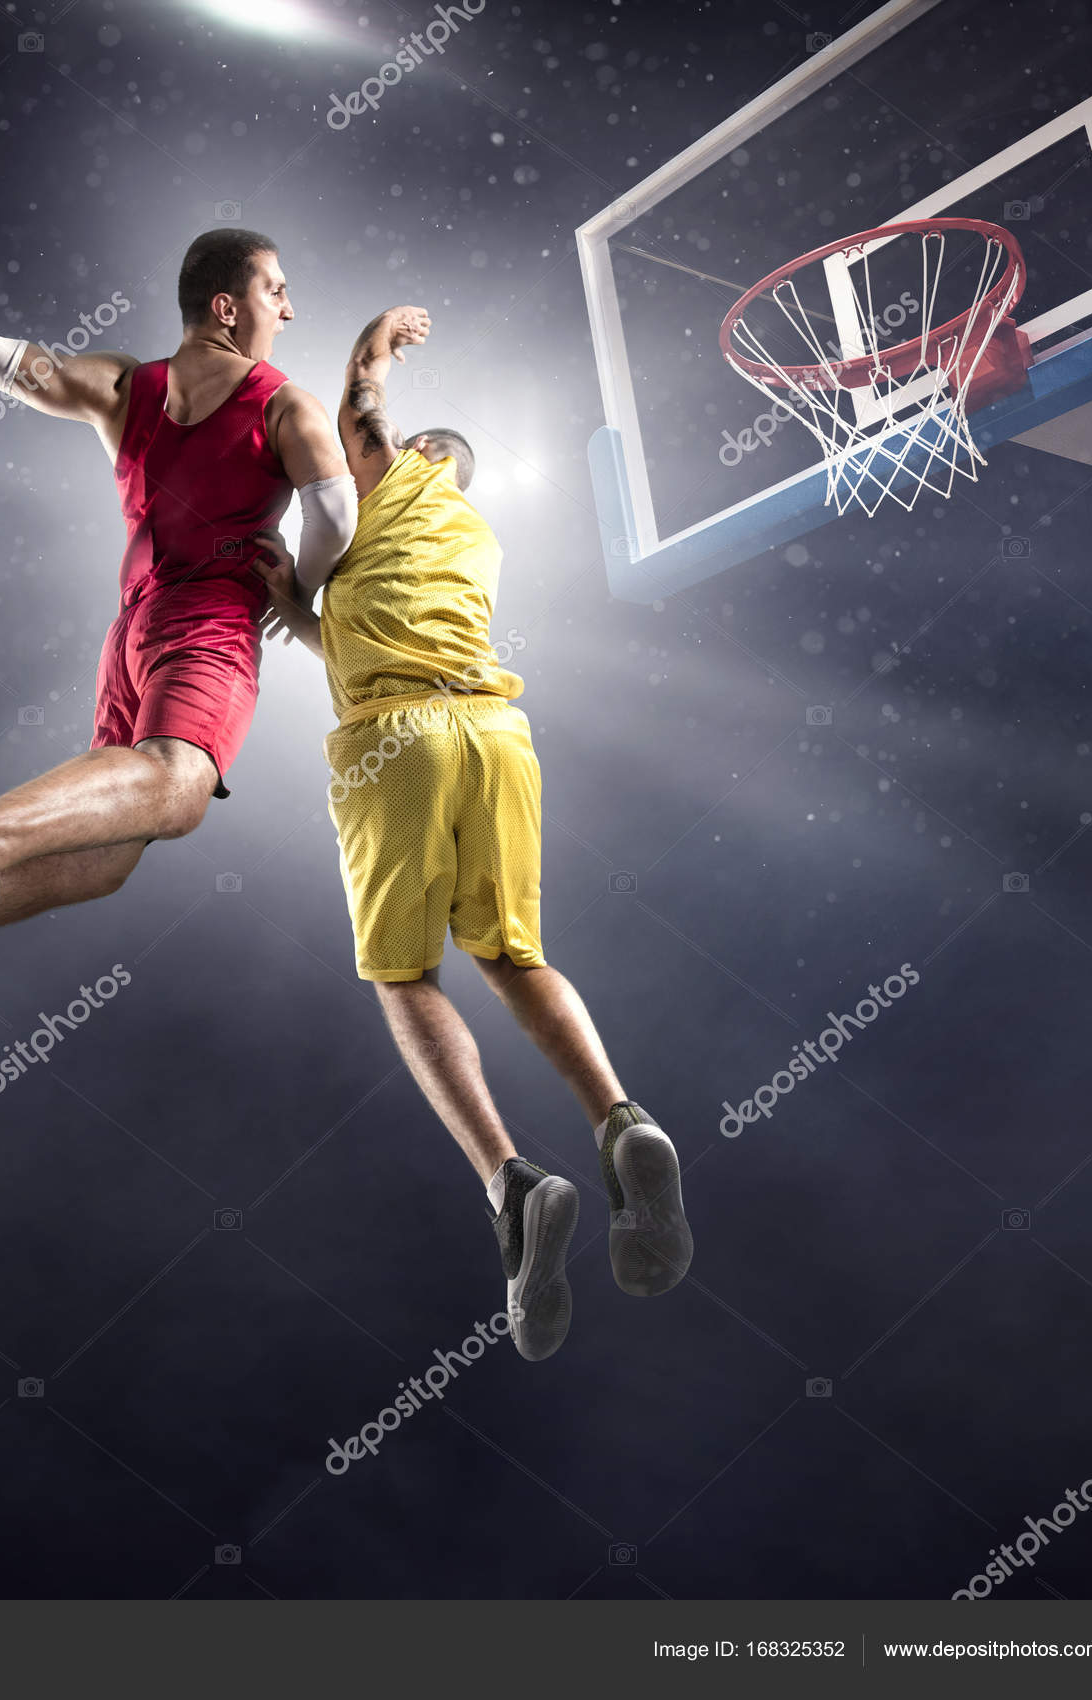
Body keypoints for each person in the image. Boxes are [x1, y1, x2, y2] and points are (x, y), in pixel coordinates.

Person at [0, 148, 356, 1037]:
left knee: (109, 858)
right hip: (208, 620)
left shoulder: (119, 385)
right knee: (178, 791)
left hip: (131, 638)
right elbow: (333, 508)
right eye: (276, 291)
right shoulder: (282, 404)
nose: (289, 309)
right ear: (228, 306)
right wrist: (301, 591)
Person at [254, 305, 694, 1361]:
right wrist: (306, 613)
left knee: (403, 976)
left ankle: (510, 1183)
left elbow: (357, 396)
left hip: (394, 741)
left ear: (406, 458)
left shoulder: (384, 481)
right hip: (495, 729)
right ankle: (620, 1119)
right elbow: (376, 635)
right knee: (511, 951)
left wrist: (377, 336)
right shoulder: (468, 538)